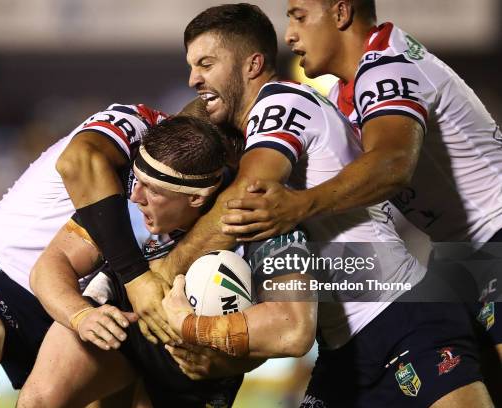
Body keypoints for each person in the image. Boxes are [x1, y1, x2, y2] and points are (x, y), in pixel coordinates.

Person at [151, 3, 493, 407]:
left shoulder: (284, 102)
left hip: (402, 317)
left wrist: (160, 275)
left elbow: (248, 197)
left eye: (206, 63)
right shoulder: (279, 132)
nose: (194, 79)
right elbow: (286, 317)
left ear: (252, 64)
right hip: (346, 347)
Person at [17, 115, 308, 407]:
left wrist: (204, 339)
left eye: (153, 191)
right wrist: (80, 315)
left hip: (199, 360)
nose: (134, 196)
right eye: (136, 180)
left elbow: (293, 331)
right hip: (120, 314)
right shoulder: (127, 189)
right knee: (38, 401)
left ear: (196, 198)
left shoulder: (261, 215)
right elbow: (52, 263)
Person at [0, 101, 173, 407]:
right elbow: (78, 160)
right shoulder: (140, 121)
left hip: (94, 307)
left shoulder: (222, 187)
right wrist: (135, 277)